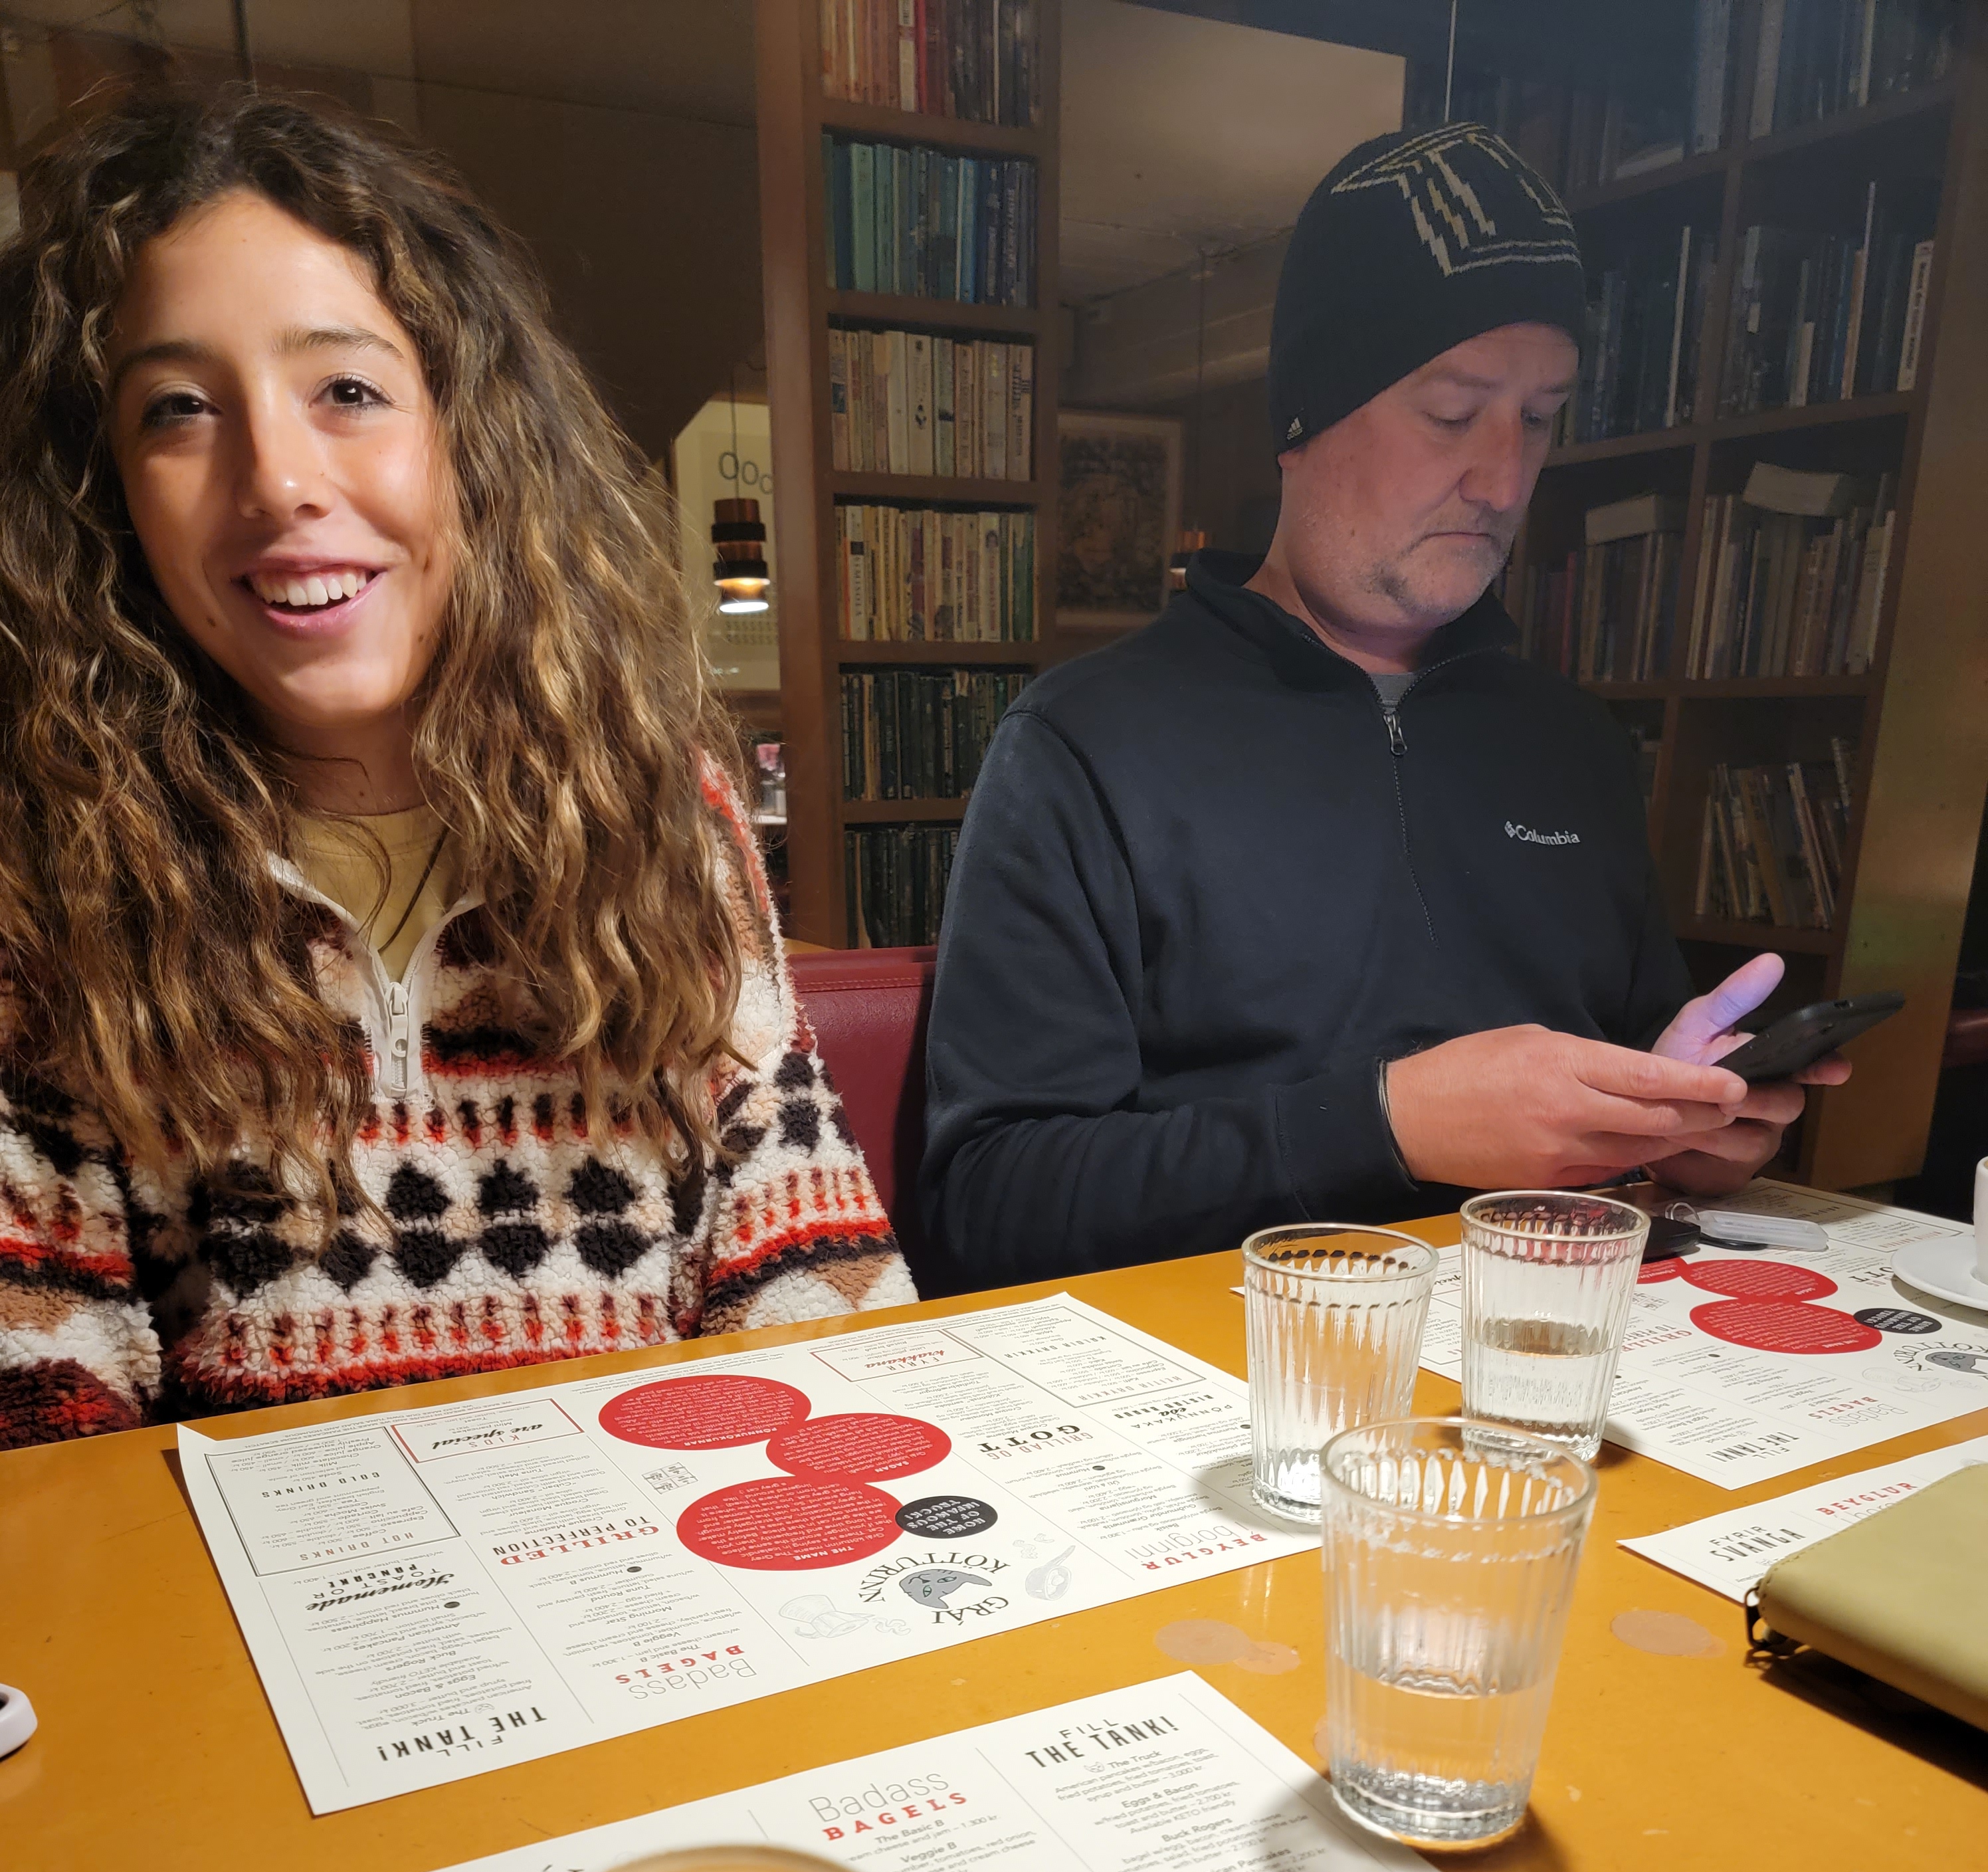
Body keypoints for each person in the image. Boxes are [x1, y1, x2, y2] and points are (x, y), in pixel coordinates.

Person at [0, 88, 914, 1452]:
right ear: (105, 492)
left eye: (348, 391)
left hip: (658, 1542)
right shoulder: (52, 874)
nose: (278, 479)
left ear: (475, 440)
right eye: (179, 409)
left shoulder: (662, 817)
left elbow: (812, 1278)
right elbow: (38, 1416)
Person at [919, 123, 1850, 1290]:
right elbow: (991, 1205)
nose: (1503, 480)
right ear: (1303, 420)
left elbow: (1634, 1097)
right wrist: (1387, 1127)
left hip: (1543, 1332)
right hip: (1229, 1353)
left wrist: (1683, 1126)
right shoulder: (1083, 743)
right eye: (1452, 414)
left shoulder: (1571, 744)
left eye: (1541, 417)